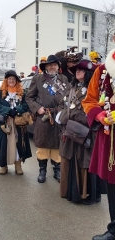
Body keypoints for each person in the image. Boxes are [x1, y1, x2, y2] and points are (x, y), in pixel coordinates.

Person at [56, 59, 101, 204]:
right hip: (69, 131)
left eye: (81, 70)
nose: (78, 72)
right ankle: (69, 192)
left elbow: (89, 113)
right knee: (67, 159)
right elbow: (62, 105)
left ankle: (84, 194)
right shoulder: (71, 87)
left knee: (83, 162)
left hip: (84, 132)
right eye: (76, 70)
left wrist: (64, 116)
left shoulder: (93, 89)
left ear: (88, 73)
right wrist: (62, 114)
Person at [82, 49, 115, 239]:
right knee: (112, 186)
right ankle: (114, 229)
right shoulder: (102, 70)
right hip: (109, 139)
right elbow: (89, 101)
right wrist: (100, 115)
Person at [26, 55, 69, 183]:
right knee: (43, 145)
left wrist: (64, 111)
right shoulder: (38, 79)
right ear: (45, 67)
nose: (52, 67)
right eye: (50, 65)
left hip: (59, 117)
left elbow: (68, 97)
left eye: (55, 65)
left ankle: (57, 170)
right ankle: (42, 171)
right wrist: (37, 108)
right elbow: (29, 97)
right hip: (43, 116)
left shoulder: (64, 79)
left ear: (58, 66)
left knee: (57, 144)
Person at [0, 70, 32, 175]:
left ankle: (18, 165)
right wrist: (9, 111)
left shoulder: (22, 92)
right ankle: (3, 165)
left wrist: (16, 110)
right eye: (9, 79)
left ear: (16, 80)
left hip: (18, 121)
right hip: (4, 121)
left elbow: (25, 106)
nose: (11, 81)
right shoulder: (0, 92)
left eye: (13, 79)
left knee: (18, 143)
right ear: (6, 80)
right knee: (4, 143)